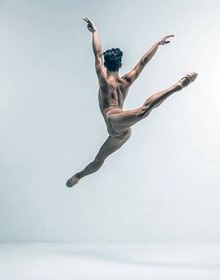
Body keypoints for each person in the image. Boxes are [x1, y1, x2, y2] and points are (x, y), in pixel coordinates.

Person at [66, 17, 197, 187]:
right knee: (99, 159)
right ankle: (79, 176)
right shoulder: (126, 81)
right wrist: (156, 44)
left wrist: (95, 32)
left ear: (106, 64)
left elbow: (97, 54)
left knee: (142, 111)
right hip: (120, 133)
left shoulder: (104, 82)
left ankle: (178, 85)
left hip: (114, 118)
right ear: (120, 64)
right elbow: (142, 62)